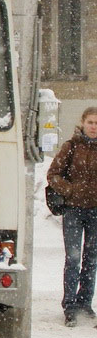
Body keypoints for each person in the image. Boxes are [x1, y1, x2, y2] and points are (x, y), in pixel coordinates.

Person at [48, 106, 97, 326]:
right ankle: (69, 305)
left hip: (96, 210)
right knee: (74, 258)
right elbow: (53, 174)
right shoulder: (71, 147)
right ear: (83, 123)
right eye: (91, 123)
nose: (94, 127)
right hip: (74, 211)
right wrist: (70, 190)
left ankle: (85, 303)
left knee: (91, 259)